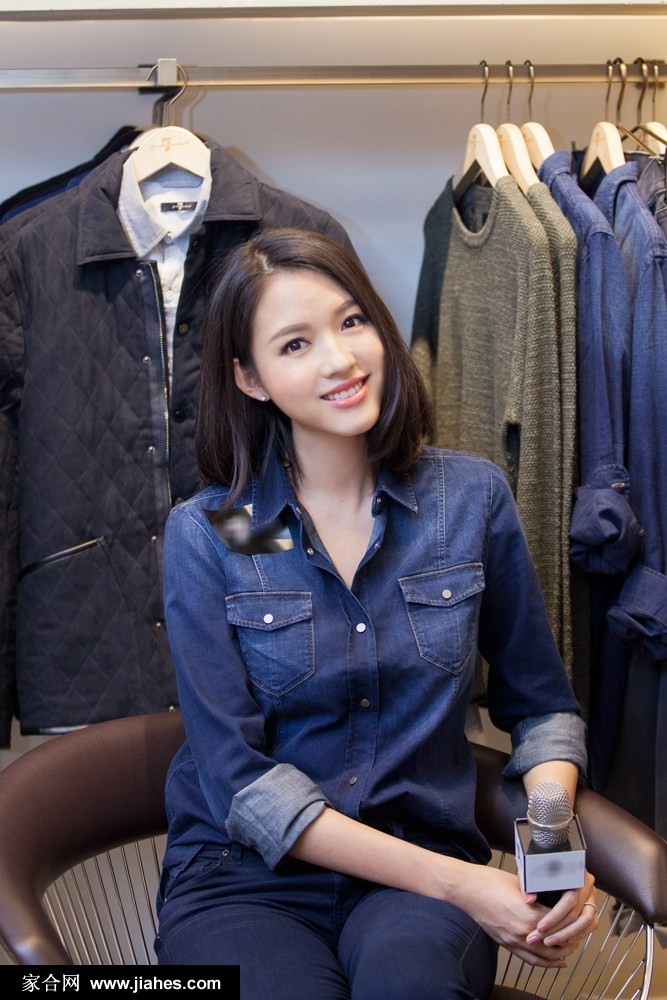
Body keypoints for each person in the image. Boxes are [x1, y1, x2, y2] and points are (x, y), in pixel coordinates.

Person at [155, 227, 597, 997]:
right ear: (250, 378)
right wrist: (466, 886)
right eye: (295, 345)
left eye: (351, 321)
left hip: (417, 870)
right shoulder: (217, 532)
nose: (340, 359)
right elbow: (241, 782)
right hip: (244, 876)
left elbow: (541, 710)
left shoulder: (468, 501)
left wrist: (552, 852)